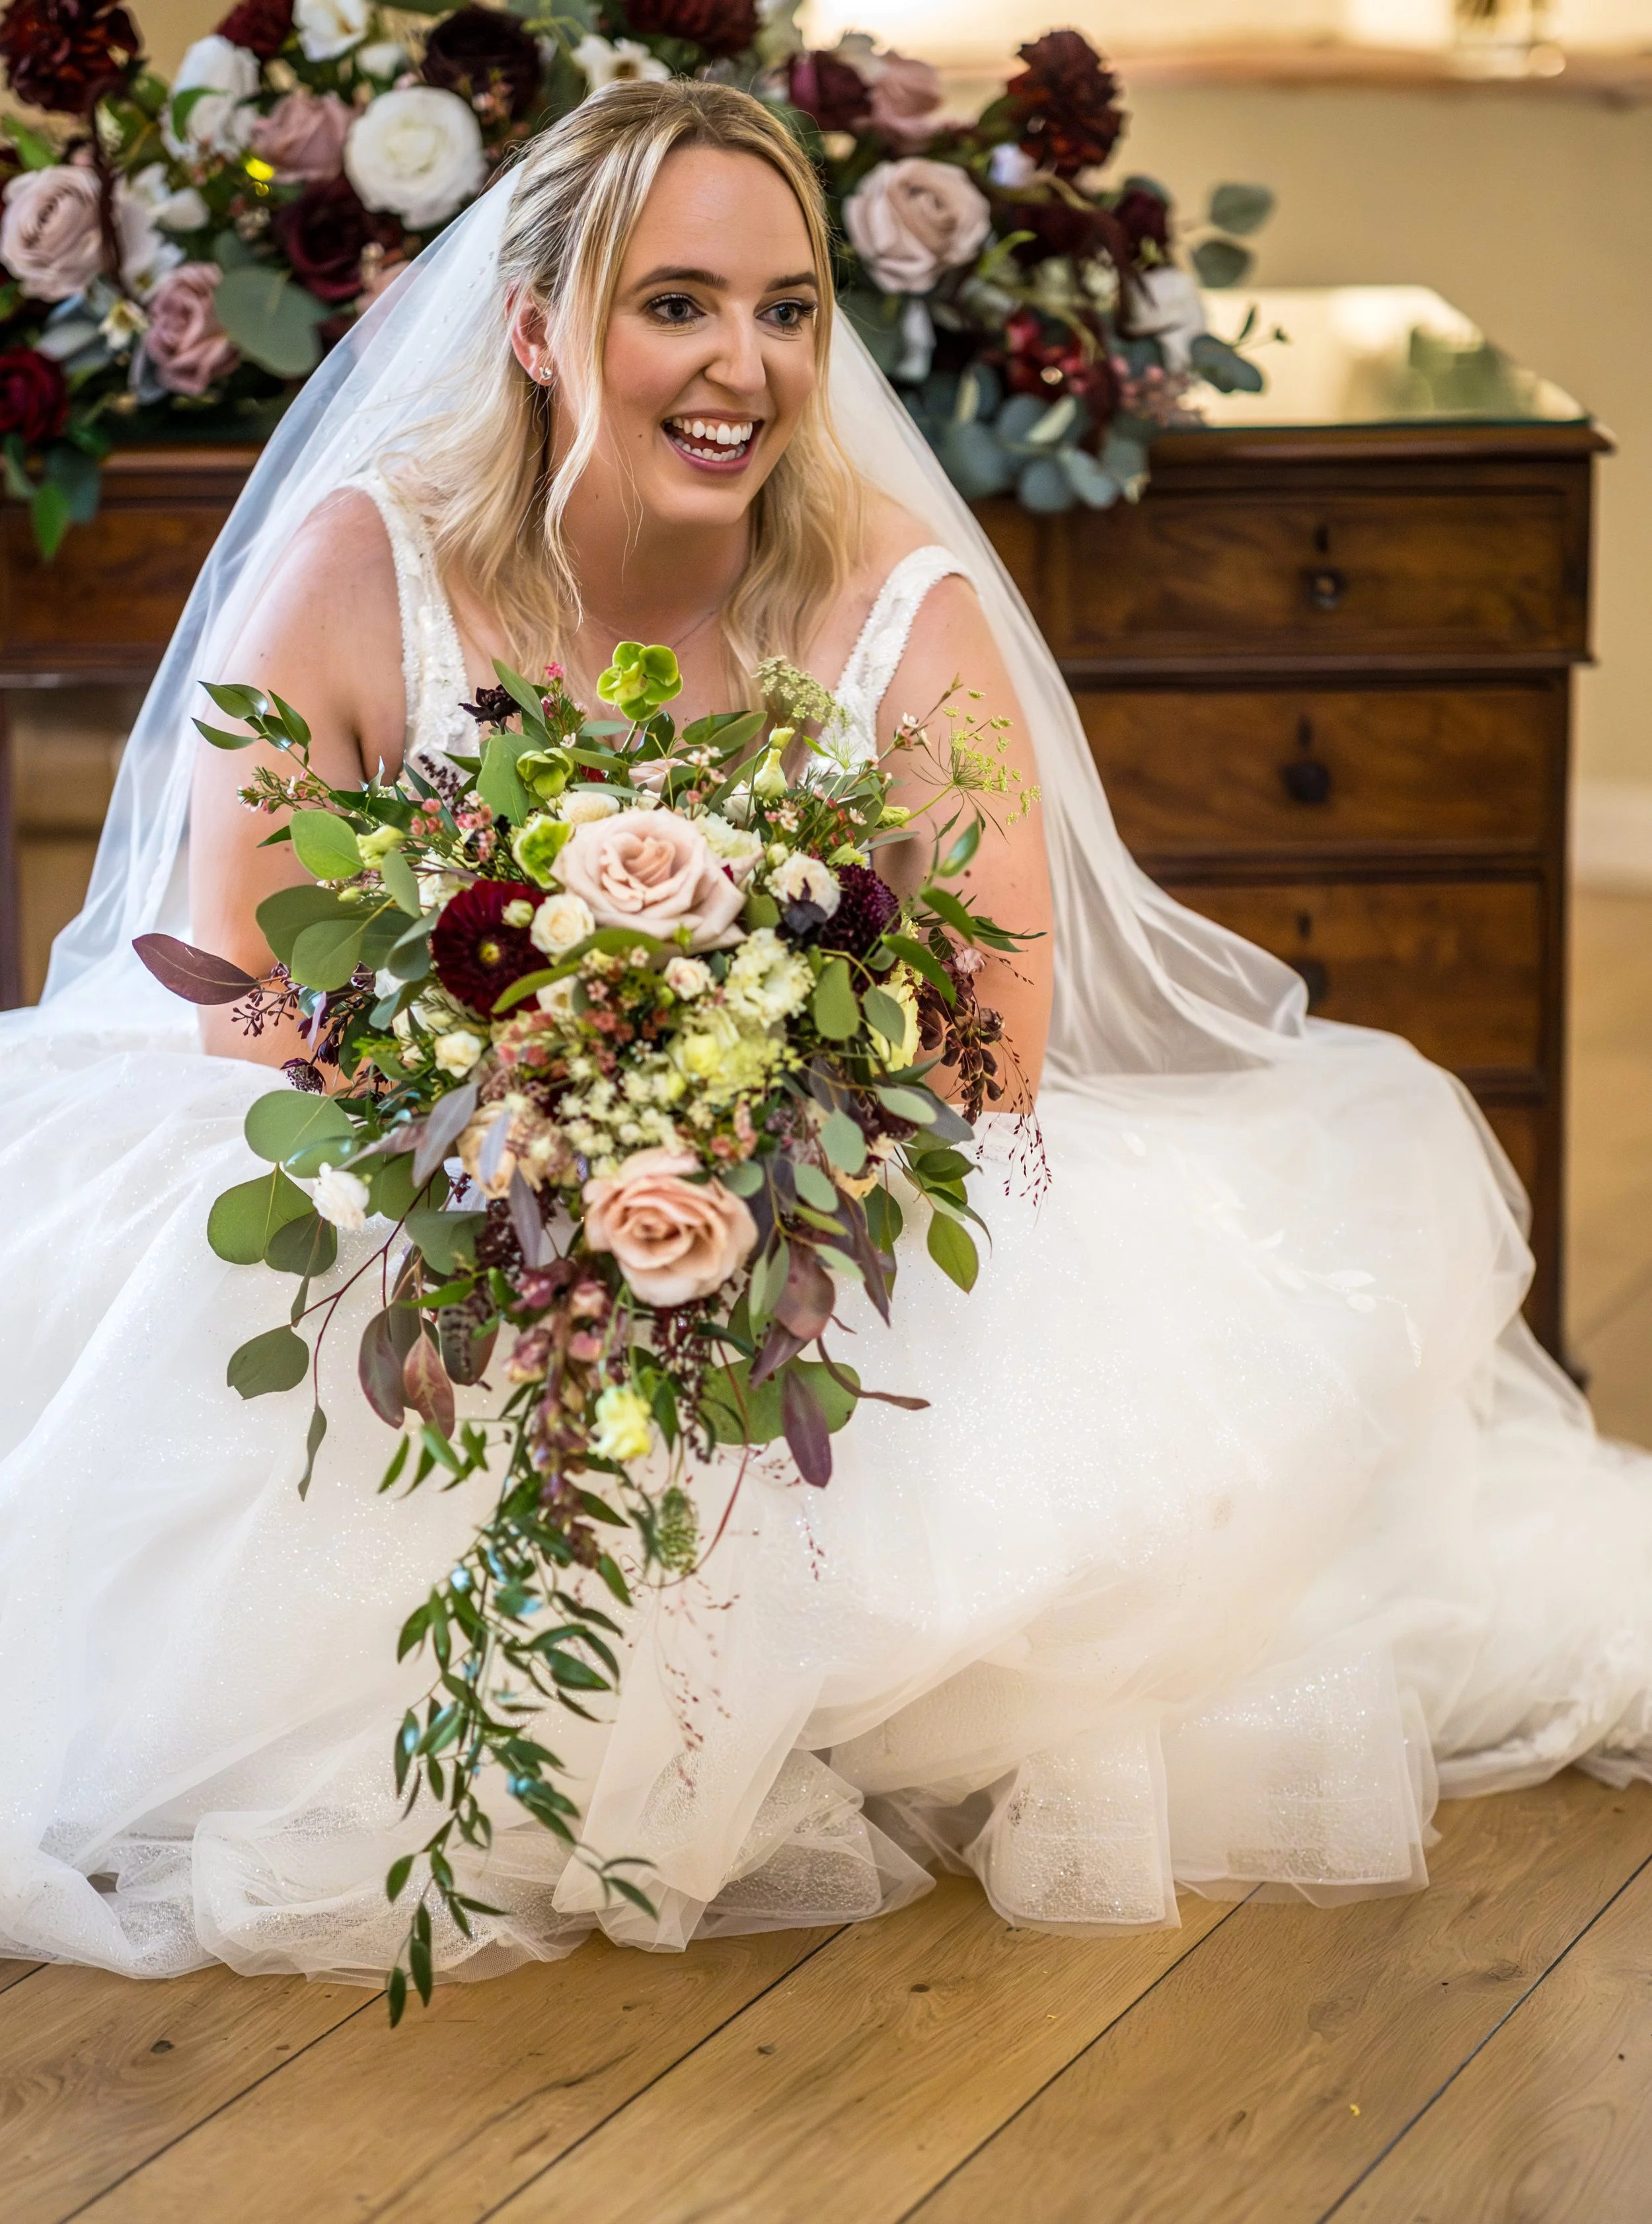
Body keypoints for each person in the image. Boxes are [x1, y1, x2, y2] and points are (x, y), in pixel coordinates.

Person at [1, 81, 1648, 1986]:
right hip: (413, 1153)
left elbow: (999, 1031)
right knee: (226, 1302)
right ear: (538, 329)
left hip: (807, 1165)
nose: (743, 365)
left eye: (786, 309)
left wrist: (730, 1115)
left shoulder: (890, 598)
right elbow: (246, 994)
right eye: (676, 303)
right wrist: (523, 1125)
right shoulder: (357, 573)